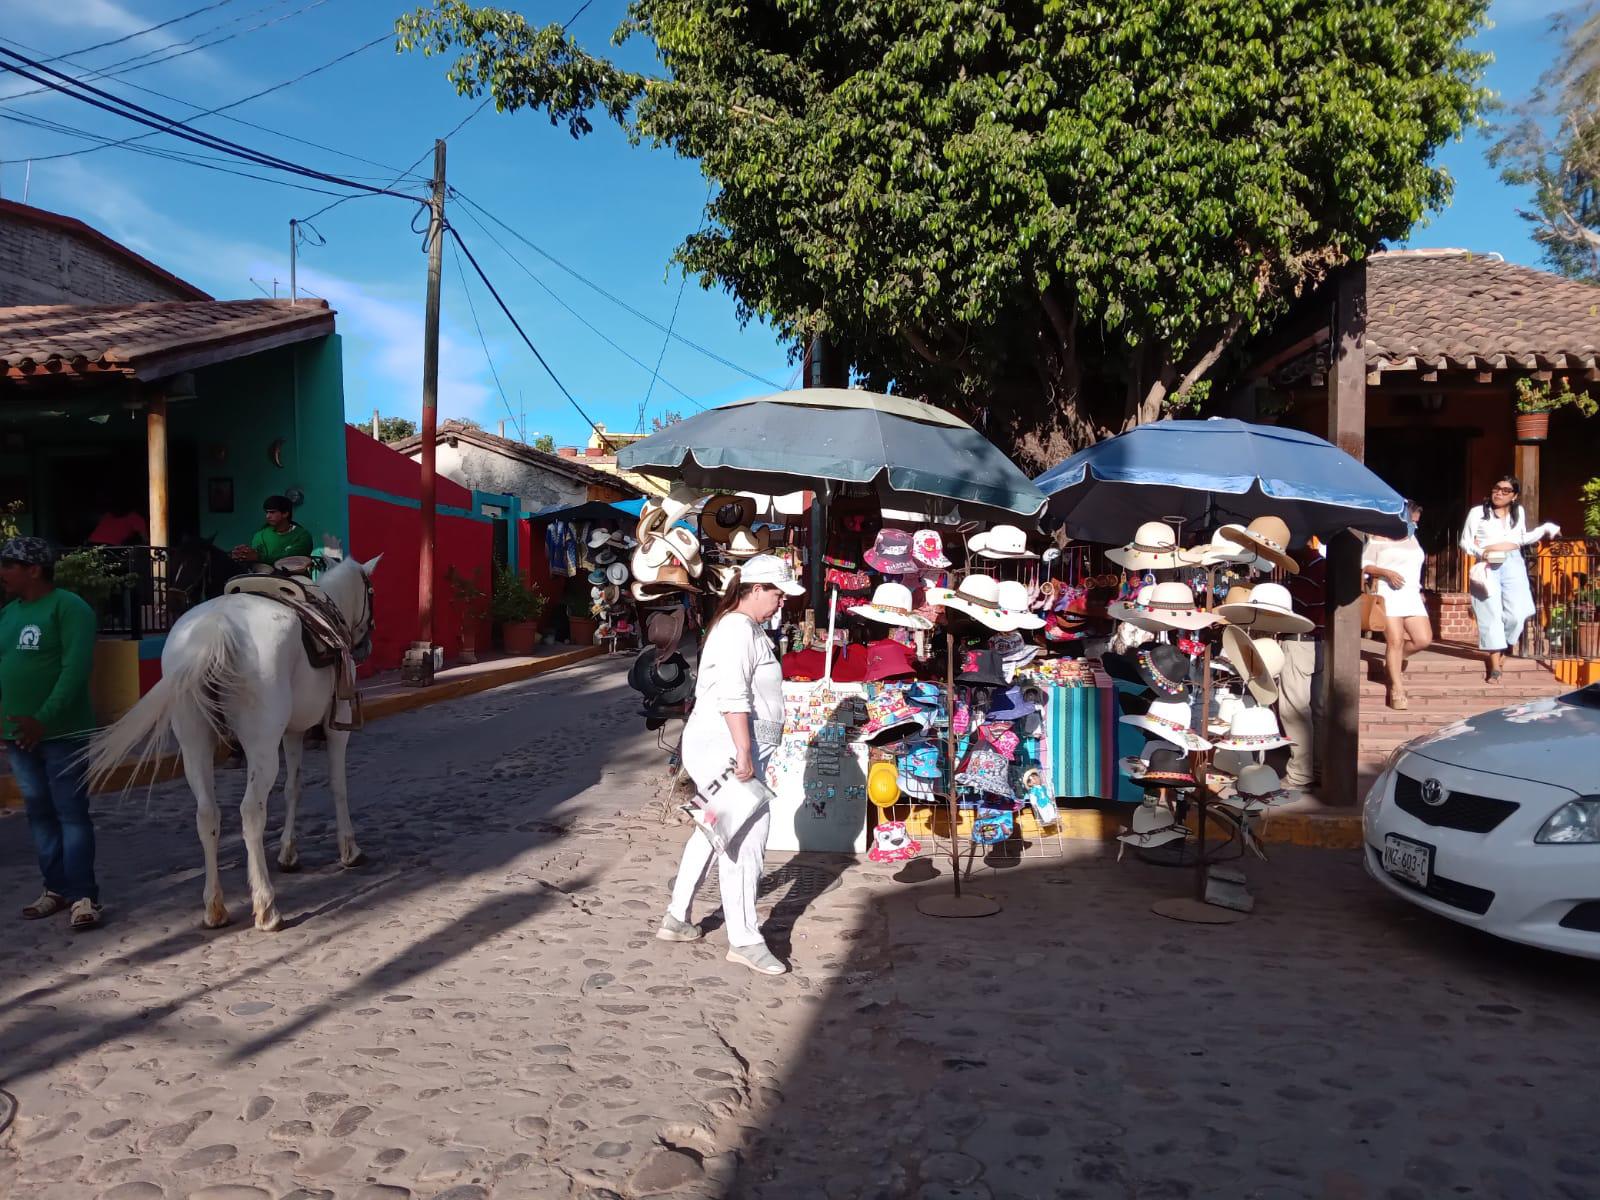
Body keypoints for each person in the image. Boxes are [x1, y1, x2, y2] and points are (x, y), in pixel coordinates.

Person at [659, 554, 805, 976]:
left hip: (730, 743)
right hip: (729, 744)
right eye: (777, 593)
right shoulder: (739, 629)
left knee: (714, 829)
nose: (782, 602)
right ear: (756, 589)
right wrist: (743, 751)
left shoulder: (740, 628)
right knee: (747, 837)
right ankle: (744, 938)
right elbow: (734, 695)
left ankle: (677, 916)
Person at [0, 536, 103, 930]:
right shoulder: (9, 614)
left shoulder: (69, 608)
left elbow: (74, 671)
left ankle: (84, 896)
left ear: (33, 569)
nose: (2, 573)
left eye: (8, 565)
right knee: (39, 813)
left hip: (63, 733)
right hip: (19, 736)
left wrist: (42, 718)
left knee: (71, 813)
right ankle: (54, 889)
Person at [1459, 474, 1561, 682]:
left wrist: (1545, 529)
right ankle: (1495, 664)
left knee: (1518, 612)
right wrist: (1481, 552)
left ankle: (1503, 646)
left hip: (1513, 562)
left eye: (1506, 491)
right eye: (1497, 488)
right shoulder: (1478, 513)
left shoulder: (1518, 512)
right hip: (1488, 563)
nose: (1499, 493)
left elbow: (1521, 538)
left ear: (1514, 496)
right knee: (1490, 613)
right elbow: (1464, 542)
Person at [1362, 501, 1432, 710]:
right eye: (1412, 521)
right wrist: (1386, 572)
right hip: (1388, 593)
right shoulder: (1377, 537)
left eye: (1417, 523)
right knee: (1395, 640)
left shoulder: (1412, 537)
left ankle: (1392, 662)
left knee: (1423, 639)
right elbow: (1364, 565)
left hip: (1410, 593)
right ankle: (1397, 688)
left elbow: (1414, 566)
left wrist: (1419, 590)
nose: (1415, 526)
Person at [1280, 544, 1327, 799]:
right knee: (1318, 711)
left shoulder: (1307, 569)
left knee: (1294, 709)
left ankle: (1300, 774)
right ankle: (1317, 768)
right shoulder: (1325, 566)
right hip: (1322, 642)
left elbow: (1295, 606)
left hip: (1301, 641)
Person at [231, 495, 313, 567]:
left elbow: (290, 560)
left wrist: (258, 557)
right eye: (266, 512)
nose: (268, 516)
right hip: (263, 579)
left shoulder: (303, 536)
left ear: (285, 514)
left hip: (293, 581)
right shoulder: (260, 535)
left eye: (272, 512)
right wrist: (243, 554)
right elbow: (255, 558)